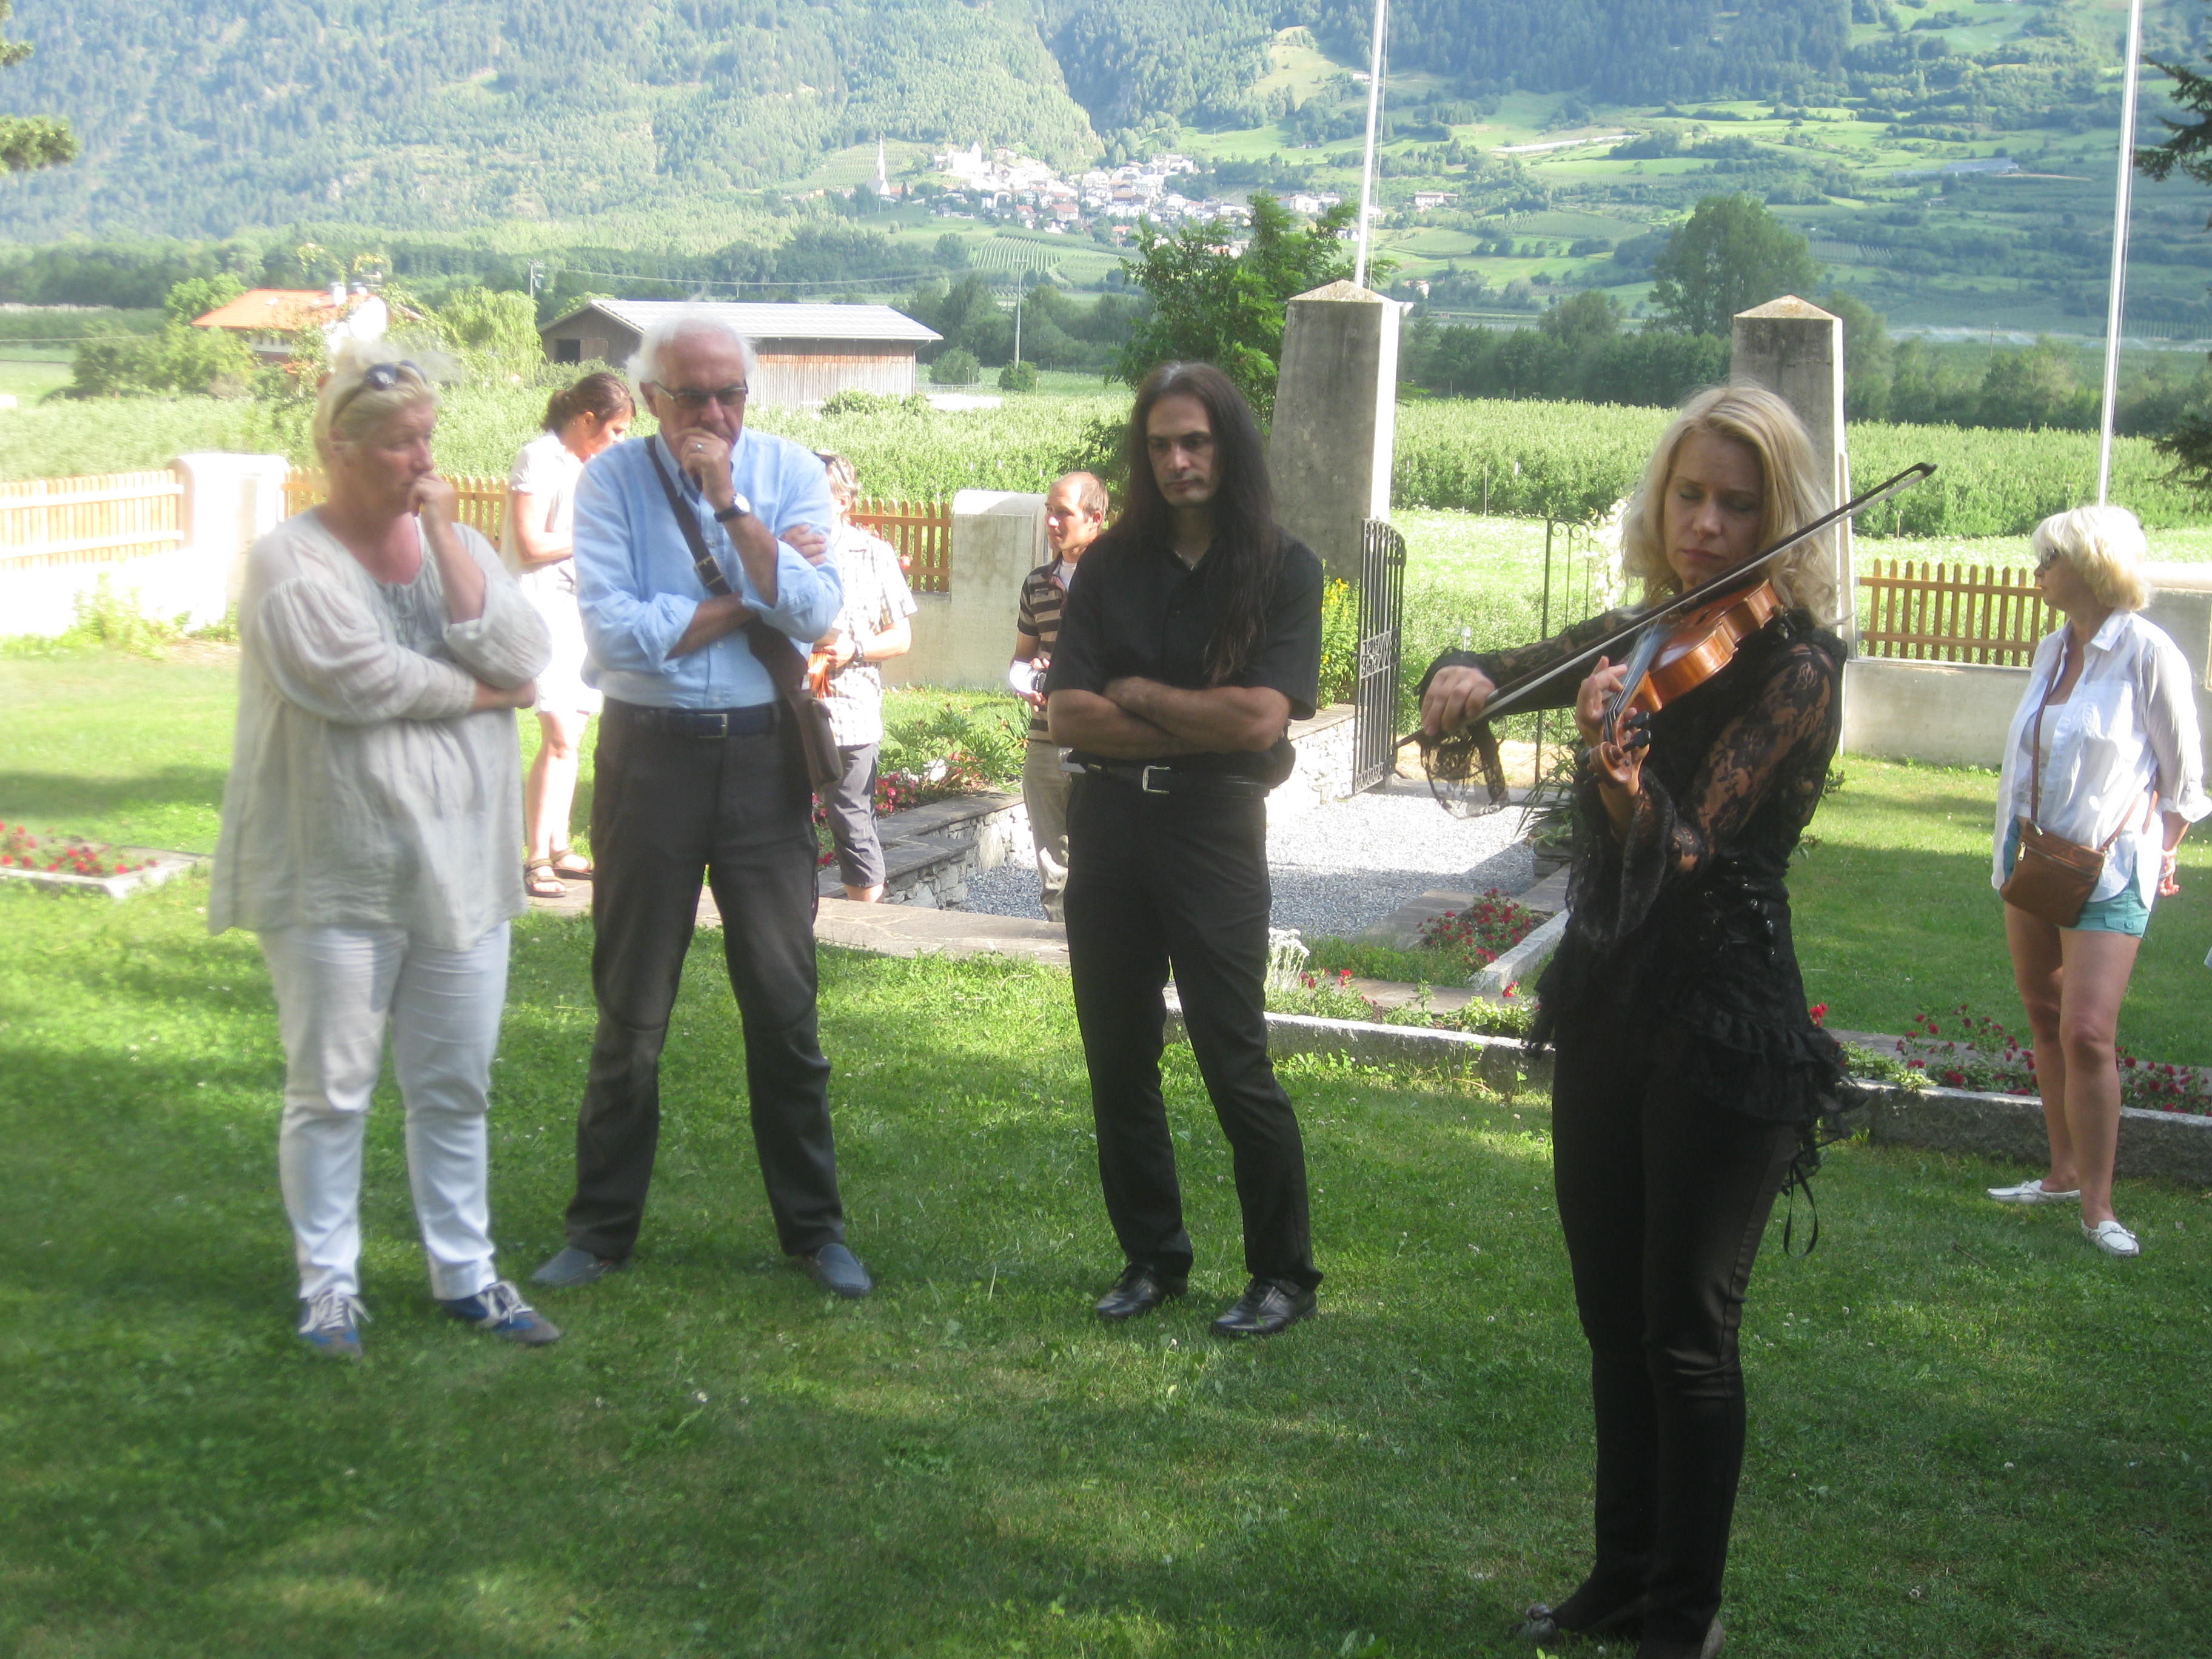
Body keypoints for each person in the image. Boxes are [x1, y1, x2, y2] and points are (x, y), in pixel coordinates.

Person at [1419, 384, 1848, 1659]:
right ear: (1660, 503)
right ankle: (1621, 1575)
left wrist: (1619, 783)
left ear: (1781, 515)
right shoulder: (1656, 631)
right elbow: (1534, 665)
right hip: (1609, 1005)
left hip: (1722, 1022)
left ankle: (1685, 1614)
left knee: (1687, 1333)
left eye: (1739, 504)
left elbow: (1692, 846)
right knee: (1613, 1318)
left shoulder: (1795, 668)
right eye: (1691, 497)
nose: (1710, 528)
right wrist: (1464, 676)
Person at [209, 343, 558, 1358]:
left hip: (459, 869)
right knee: (331, 1088)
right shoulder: (290, 559)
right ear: (339, 448)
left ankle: (467, 1273)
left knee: (456, 1086)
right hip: (336, 869)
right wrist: (482, 693)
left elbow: (525, 653)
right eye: (401, 443)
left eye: (428, 440)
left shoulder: (454, 542)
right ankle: (328, 1285)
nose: (421, 459)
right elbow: (352, 682)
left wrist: (448, 537)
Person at [532, 311, 874, 1301]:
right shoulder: (608, 482)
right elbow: (615, 635)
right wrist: (758, 591)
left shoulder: (786, 472)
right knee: (631, 1014)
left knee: (784, 1009)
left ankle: (815, 1233)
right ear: (651, 399)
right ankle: (598, 1232)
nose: (715, 415)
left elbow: (817, 612)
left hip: (763, 762)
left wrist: (731, 508)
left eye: (731, 395)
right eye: (694, 397)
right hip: (651, 762)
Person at [1045, 361, 1326, 1339]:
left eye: (1195, 441)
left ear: (1227, 446)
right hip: (1109, 830)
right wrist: (1199, 724)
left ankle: (1282, 1273)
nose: (1177, 460)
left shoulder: (1284, 569)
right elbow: (1065, 710)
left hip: (1211, 834)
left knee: (1230, 1053)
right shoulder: (1108, 567)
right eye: (1161, 444)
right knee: (1116, 1057)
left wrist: (1140, 697)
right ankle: (1151, 1256)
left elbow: (1258, 718)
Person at [1985, 504, 2205, 1258]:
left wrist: (2164, 850)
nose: (2038, 568)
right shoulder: (2052, 648)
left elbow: (2186, 782)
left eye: (2050, 556)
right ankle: (2062, 1175)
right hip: (2033, 856)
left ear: (2093, 563)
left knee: (2087, 1032)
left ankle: (2100, 1207)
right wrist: (2008, 848)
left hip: (2112, 869)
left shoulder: (2148, 654)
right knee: (2044, 1015)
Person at [501, 371, 635, 900]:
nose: (620, 442)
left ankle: (560, 847)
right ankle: (536, 858)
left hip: (583, 615)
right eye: (617, 430)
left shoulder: (593, 470)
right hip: (539, 614)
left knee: (574, 735)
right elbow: (531, 545)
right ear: (586, 420)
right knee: (557, 736)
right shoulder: (539, 457)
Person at [812, 451, 917, 903]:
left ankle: (868, 931)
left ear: (842, 500)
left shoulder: (873, 554)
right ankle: (796, 920)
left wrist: (855, 650)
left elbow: (901, 637)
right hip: (790, 708)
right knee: (783, 825)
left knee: (852, 822)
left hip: (850, 712)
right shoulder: (780, 553)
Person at [1010, 471, 1108, 920]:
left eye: (1062, 512)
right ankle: (1057, 944)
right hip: (1045, 737)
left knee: (1101, 854)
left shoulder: (1120, 581)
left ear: (1095, 518)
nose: (1051, 521)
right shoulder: (1037, 583)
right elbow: (1020, 660)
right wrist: (1028, 682)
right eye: (1049, 511)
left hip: (1102, 739)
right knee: (1053, 861)